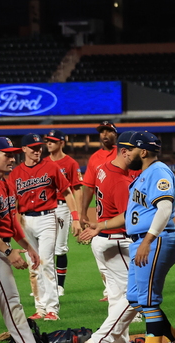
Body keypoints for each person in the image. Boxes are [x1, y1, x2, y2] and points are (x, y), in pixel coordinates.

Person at [80, 131, 175, 343]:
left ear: (143, 151)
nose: (125, 153)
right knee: (136, 297)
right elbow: (133, 215)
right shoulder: (141, 176)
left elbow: (165, 207)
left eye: (128, 149)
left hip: (150, 242)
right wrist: (102, 225)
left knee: (149, 302)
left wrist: (150, 240)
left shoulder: (159, 171)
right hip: (143, 240)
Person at [0, 137, 61, 343]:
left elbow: (11, 223)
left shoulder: (4, 183)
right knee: (12, 302)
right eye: (7, 154)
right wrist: (7, 251)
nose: (12, 158)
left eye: (14, 154)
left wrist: (27, 246)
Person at [80, 131, 147, 343]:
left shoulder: (104, 166)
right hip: (116, 242)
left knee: (118, 298)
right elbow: (128, 220)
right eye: (139, 152)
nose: (143, 156)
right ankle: (100, 339)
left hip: (104, 243)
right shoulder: (120, 181)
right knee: (138, 295)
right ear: (125, 152)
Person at [8, 133, 81, 321]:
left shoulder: (51, 167)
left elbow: (68, 192)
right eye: (33, 148)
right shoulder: (15, 174)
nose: (37, 150)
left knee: (46, 261)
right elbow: (11, 203)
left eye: (39, 147)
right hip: (25, 221)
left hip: (48, 217)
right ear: (23, 149)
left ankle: (52, 309)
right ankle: (40, 308)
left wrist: (75, 218)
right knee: (34, 264)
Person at [80, 121, 118, 302]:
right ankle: (110, 292)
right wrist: (82, 212)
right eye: (102, 132)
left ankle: (124, 300)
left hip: (121, 217)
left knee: (123, 265)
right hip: (102, 218)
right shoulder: (94, 158)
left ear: (115, 134)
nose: (105, 134)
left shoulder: (123, 154)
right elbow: (88, 187)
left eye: (109, 131)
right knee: (103, 260)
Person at [44, 129, 83, 296]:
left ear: (61, 143)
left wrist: (78, 215)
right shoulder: (43, 162)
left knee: (59, 248)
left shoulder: (71, 163)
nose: (49, 143)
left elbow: (77, 189)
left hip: (63, 207)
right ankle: (46, 284)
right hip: (45, 208)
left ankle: (59, 286)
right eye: (47, 141)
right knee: (44, 248)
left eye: (52, 141)